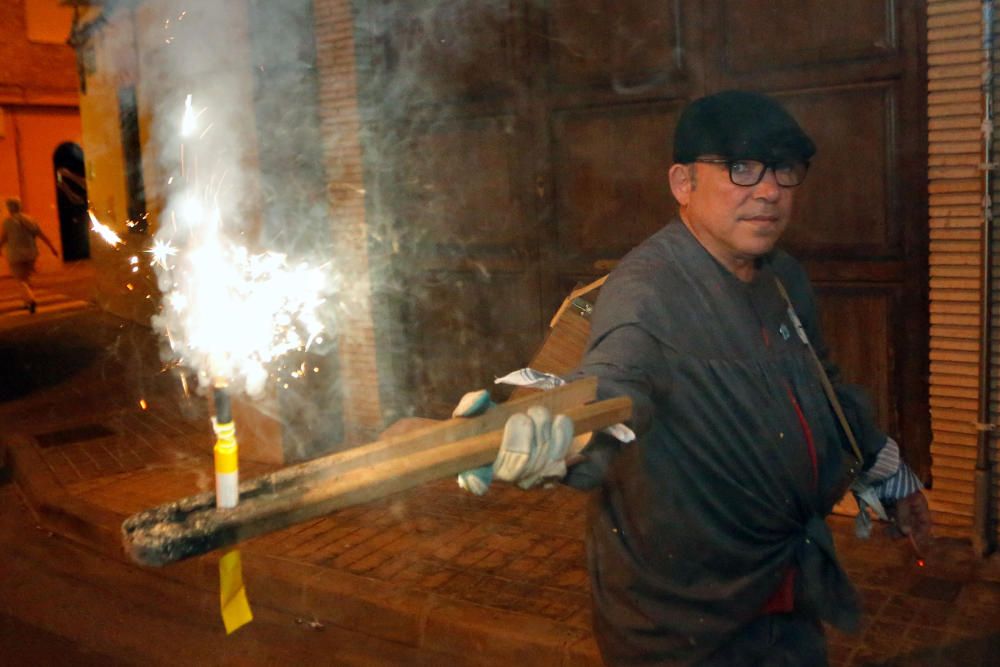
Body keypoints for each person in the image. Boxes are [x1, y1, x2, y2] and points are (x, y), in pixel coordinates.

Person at [456, 90, 931, 666]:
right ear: (683, 183)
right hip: (686, 623)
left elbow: (820, 383)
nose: (769, 189)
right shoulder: (647, 290)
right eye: (741, 167)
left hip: (785, 585)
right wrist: (548, 432)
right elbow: (612, 385)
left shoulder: (781, 276)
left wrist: (886, 469)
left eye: (784, 169)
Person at [0, 197, 59, 314]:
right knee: (26, 279)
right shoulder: (30, 220)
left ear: (9, 208)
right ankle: (26, 301)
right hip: (31, 254)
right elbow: (42, 235)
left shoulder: (8, 222)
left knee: (21, 280)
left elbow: (3, 239)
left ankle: (31, 301)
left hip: (16, 255)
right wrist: (52, 248)